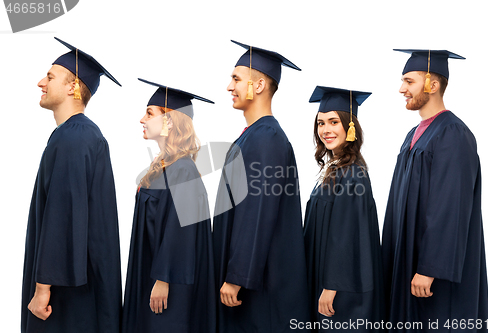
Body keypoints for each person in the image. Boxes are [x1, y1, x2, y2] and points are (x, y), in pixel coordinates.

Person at [382, 49, 488, 331]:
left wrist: (430, 268)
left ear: (433, 84)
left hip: (432, 274)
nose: (401, 89)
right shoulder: (414, 135)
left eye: (409, 81)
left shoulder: (453, 133)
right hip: (409, 262)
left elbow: (451, 206)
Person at [21, 37, 122, 333]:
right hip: (82, 281)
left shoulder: (74, 139)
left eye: (50, 77)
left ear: (72, 86)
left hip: (67, 293)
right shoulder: (80, 135)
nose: (41, 82)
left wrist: (42, 288)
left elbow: (62, 216)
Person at [212, 40, 310, 332]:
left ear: (259, 85)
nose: (230, 87)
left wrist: (238, 275)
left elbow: (257, 212)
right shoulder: (253, 136)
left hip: (261, 286)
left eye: (236, 79)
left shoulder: (266, 138)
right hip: (251, 278)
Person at [122, 79, 216, 333]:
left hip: (169, 285)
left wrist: (163, 279)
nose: (142, 119)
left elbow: (180, 231)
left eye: (149, 113)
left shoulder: (183, 169)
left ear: (169, 121)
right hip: (151, 274)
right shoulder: (163, 167)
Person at [303, 86, 385, 332]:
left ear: (350, 127)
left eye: (334, 122)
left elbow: (347, 236)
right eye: (320, 123)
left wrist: (331, 286)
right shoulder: (335, 168)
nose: (326, 130)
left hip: (342, 289)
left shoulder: (353, 174)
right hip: (327, 279)